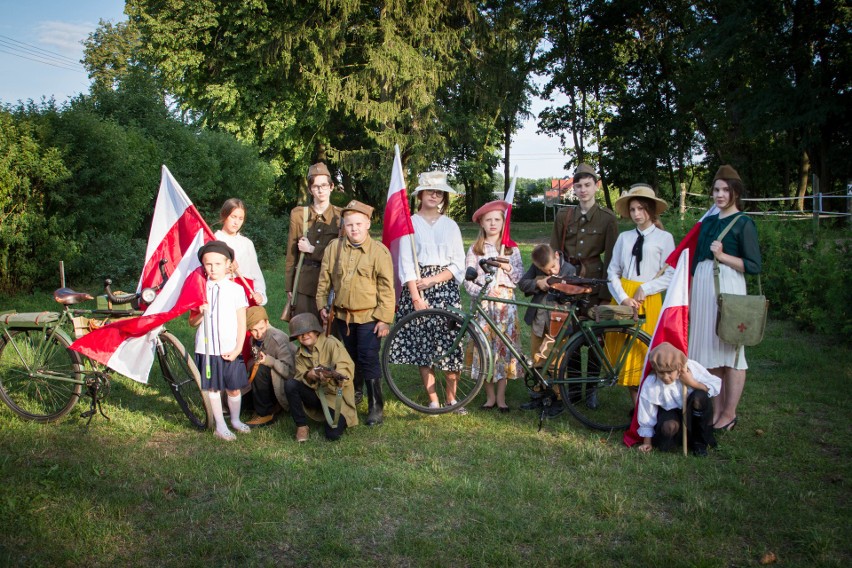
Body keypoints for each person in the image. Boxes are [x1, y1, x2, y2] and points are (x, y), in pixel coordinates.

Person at [523, 163, 617, 411]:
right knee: (569, 335)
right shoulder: (564, 216)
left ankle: (591, 390)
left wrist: (606, 297)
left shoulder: (607, 218)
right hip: (567, 282)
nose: (583, 190)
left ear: (596, 186)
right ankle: (573, 388)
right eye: (578, 185)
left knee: (595, 337)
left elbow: (612, 261)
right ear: (573, 188)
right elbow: (554, 253)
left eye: (588, 185)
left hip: (594, 284)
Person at [689, 165, 762, 432]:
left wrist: (723, 256)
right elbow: (697, 262)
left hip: (729, 287)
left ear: (735, 192)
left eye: (725, 190)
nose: (719, 195)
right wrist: (690, 299)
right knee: (712, 354)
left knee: (731, 354)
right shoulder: (708, 222)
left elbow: (753, 265)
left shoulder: (744, 223)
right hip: (703, 289)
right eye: (716, 190)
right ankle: (716, 411)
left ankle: (730, 413)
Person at [389, 171, 467, 413]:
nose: (435, 195)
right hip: (418, 291)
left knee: (450, 344)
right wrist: (415, 296)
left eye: (439, 191)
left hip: (445, 289)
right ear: (420, 194)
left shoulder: (451, 225)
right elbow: (406, 263)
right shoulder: (410, 224)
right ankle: (433, 399)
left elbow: (458, 263)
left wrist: (433, 280)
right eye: (430, 190)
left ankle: (453, 400)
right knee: (424, 347)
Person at [316, 200, 395, 426]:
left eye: (359, 224)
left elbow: (386, 289)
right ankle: (354, 394)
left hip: (369, 317)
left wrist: (384, 319)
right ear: (344, 226)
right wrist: (322, 305)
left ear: (368, 224)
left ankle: (375, 407)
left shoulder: (379, 252)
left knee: (368, 357)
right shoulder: (334, 248)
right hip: (342, 317)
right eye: (349, 225)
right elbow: (325, 280)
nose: (354, 229)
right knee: (348, 357)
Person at [607, 184, 675, 405]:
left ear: (651, 211)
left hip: (649, 299)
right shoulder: (624, 238)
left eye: (641, 209)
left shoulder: (664, 238)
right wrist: (623, 297)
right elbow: (612, 270)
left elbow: (670, 274)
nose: (637, 214)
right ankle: (636, 405)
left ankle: (649, 403)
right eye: (633, 209)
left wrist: (646, 288)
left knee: (644, 349)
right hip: (625, 296)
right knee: (626, 352)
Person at [463, 200, 524, 412]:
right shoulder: (476, 248)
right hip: (483, 306)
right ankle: (489, 396)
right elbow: (467, 280)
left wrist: (508, 268)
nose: (493, 224)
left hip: (505, 307)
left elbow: (519, 279)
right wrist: (481, 293)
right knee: (484, 349)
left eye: (497, 219)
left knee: (503, 350)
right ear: (481, 223)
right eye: (488, 220)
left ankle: (501, 397)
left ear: (503, 222)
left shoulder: (511, 249)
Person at [188, 241, 250, 441]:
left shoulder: (236, 290)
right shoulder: (200, 289)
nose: (213, 268)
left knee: (233, 387)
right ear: (203, 266)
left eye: (217, 264)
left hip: (230, 346)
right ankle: (220, 425)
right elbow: (192, 322)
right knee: (213, 387)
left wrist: (238, 347)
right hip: (207, 348)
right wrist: (200, 312)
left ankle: (235, 420)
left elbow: (242, 323)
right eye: (208, 264)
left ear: (228, 264)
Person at [517, 244, 577, 416]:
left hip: (559, 324)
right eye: (546, 270)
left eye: (552, 267)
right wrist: (538, 283)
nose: (551, 272)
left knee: (555, 362)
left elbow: (573, 295)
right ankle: (539, 393)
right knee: (537, 358)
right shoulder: (537, 268)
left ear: (557, 256)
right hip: (539, 321)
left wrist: (557, 286)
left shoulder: (569, 269)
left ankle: (558, 398)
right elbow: (523, 283)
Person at [636, 342, 720, 457]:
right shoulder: (651, 383)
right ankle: (674, 440)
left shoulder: (691, 368)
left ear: (679, 368)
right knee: (669, 427)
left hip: (693, 414)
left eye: (670, 372)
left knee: (699, 397)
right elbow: (647, 412)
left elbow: (715, 384)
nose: (665, 377)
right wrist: (647, 442)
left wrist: (692, 383)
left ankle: (699, 443)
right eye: (661, 373)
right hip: (670, 413)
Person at [284, 313, 358, 442]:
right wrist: (309, 375)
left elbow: (346, 370)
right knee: (291, 384)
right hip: (316, 395)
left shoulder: (331, 343)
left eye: (308, 331)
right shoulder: (300, 353)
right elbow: (300, 376)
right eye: (300, 334)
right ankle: (301, 426)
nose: (304, 335)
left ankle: (337, 416)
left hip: (336, 398)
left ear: (316, 331)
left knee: (332, 435)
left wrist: (332, 376)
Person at [285, 163, 343, 320]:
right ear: (310, 190)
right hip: (306, 283)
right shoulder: (298, 215)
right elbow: (291, 252)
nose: (320, 190)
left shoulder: (341, 217)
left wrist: (312, 250)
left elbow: (341, 253)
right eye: (316, 186)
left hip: (331, 282)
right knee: (305, 331)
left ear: (331, 186)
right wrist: (289, 285)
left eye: (324, 185)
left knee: (330, 334)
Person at [243, 306, 295, 428]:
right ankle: (264, 405)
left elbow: (291, 372)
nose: (258, 334)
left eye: (261, 328)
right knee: (242, 405)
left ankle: (265, 414)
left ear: (267, 322)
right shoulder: (253, 339)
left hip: (284, 385)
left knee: (261, 369)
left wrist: (269, 361)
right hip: (268, 382)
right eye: (253, 330)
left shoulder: (278, 339)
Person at [215, 198, 266, 306]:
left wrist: (260, 293)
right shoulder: (215, 240)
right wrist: (226, 270)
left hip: (246, 295)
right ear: (225, 216)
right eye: (233, 217)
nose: (236, 222)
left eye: (240, 218)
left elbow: (256, 273)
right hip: (223, 295)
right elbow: (205, 273)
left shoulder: (247, 243)